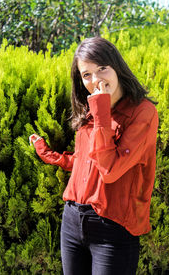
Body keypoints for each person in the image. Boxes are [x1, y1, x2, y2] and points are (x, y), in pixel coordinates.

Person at [29, 37, 158, 275]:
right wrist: (47, 154)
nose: (95, 80)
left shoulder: (143, 113)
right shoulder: (89, 111)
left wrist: (101, 108)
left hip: (114, 228)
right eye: (86, 75)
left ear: (116, 67)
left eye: (102, 69)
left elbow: (110, 170)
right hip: (72, 220)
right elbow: (85, 162)